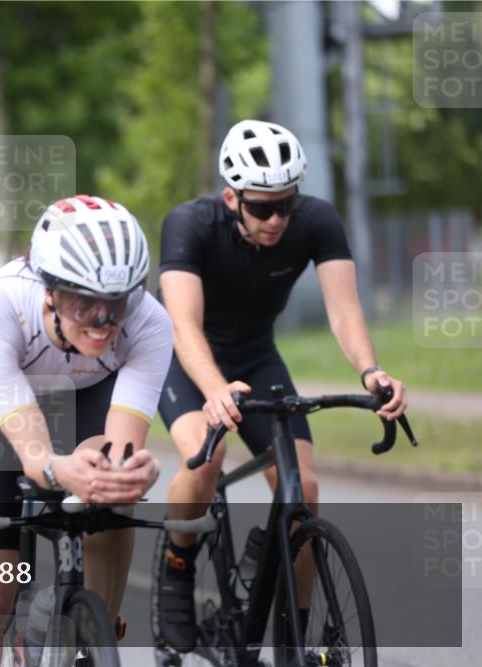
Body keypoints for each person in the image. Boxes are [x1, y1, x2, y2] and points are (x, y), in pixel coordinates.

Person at [155, 120, 409, 652]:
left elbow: (344, 310)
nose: (276, 220)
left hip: (257, 356)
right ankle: (177, 566)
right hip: (186, 360)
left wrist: (371, 371)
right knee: (205, 459)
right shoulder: (190, 225)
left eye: (286, 205)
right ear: (231, 197)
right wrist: (216, 389)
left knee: (304, 492)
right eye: (261, 207)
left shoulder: (316, 220)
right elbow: (183, 327)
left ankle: (292, 634)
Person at [0, 195, 173, 665]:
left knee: (112, 486)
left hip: (88, 397)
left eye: (118, 301)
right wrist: (55, 467)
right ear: (48, 290)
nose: (103, 321)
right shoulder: (0, 304)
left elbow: (122, 443)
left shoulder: (149, 323)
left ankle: (93, 637)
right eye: (84, 302)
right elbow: (36, 456)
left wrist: (126, 470)